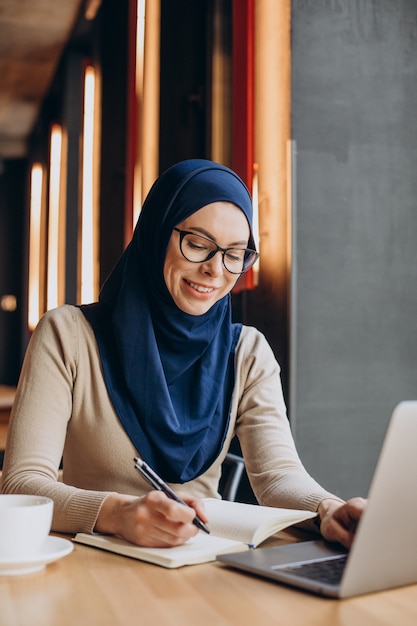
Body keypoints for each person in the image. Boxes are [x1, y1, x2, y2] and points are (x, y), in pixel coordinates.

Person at [1, 159, 365, 549]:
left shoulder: (247, 353)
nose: (215, 269)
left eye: (235, 253)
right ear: (157, 235)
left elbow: (277, 476)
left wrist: (327, 509)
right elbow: (21, 484)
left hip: (201, 565)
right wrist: (117, 514)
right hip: (92, 569)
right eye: (197, 244)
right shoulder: (69, 335)